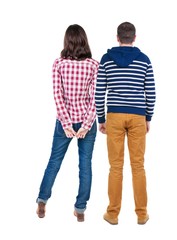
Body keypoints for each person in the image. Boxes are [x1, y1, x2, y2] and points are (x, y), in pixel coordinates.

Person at [36, 24, 99, 222]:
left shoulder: (59, 64)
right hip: (86, 122)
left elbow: (58, 96)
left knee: (54, 162)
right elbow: (95, 99)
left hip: (65, 122)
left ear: (67, 42)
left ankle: (42, 201)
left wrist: (66, 123)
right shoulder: (93, 65)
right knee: (85, 165)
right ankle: (80, 209)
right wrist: (87, 125)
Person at [95, 22, 156, 225]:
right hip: (138, 117)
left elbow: (99, 92)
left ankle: (112, 214)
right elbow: (151, 93)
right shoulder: (144, 60)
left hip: (114, 117)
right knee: (138, 166)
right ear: (134, 38)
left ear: (118, 37)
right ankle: (141, 214)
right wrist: (148, 117)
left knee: (115, 167)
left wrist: (101, 119)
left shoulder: (106, 60)